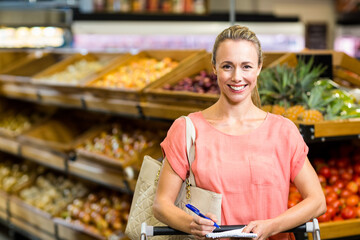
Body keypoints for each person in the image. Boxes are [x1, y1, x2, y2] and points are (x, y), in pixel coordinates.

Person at [153, 25, 326, 240]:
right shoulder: (187, 129)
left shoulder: (283, 131)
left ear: (259, 68)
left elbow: (317, 201)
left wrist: (272, 226)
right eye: (227, 66)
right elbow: (161, 205)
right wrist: (190, 223)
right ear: (214, 67)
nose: (237, 77)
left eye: (246, 66)